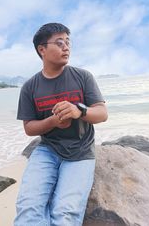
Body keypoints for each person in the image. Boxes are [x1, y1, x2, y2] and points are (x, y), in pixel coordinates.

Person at [14, 22, 108, 226]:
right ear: (42, 50)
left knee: (64, 214)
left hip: (80, 151)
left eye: (68, 42)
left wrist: (79, 110)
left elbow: (102, 113)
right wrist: (53, 121)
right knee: (27, 209)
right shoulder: (30, 87)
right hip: (47, 150)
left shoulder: (83, 77)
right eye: (59, 43)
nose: (66, 47)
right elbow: (29, 128)